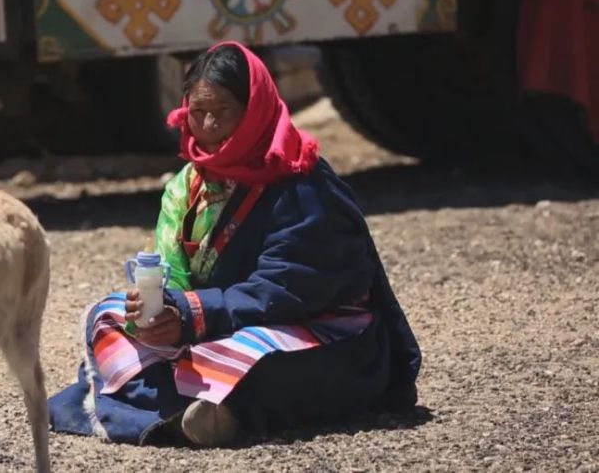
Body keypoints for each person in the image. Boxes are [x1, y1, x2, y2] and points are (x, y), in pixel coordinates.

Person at [47, 40, 423, 447]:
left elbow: (286, 289)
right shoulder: (187, 187)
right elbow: (173, 277)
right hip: (211, 325)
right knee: (107, 315)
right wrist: (156, 308)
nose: (207, 127)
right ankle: (194, 412)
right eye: (197, 112)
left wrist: (191, 314)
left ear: (254, 110)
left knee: (254, 361)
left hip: (316, 331)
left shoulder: (300, 183)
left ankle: (173, 408)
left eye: (222, 112)